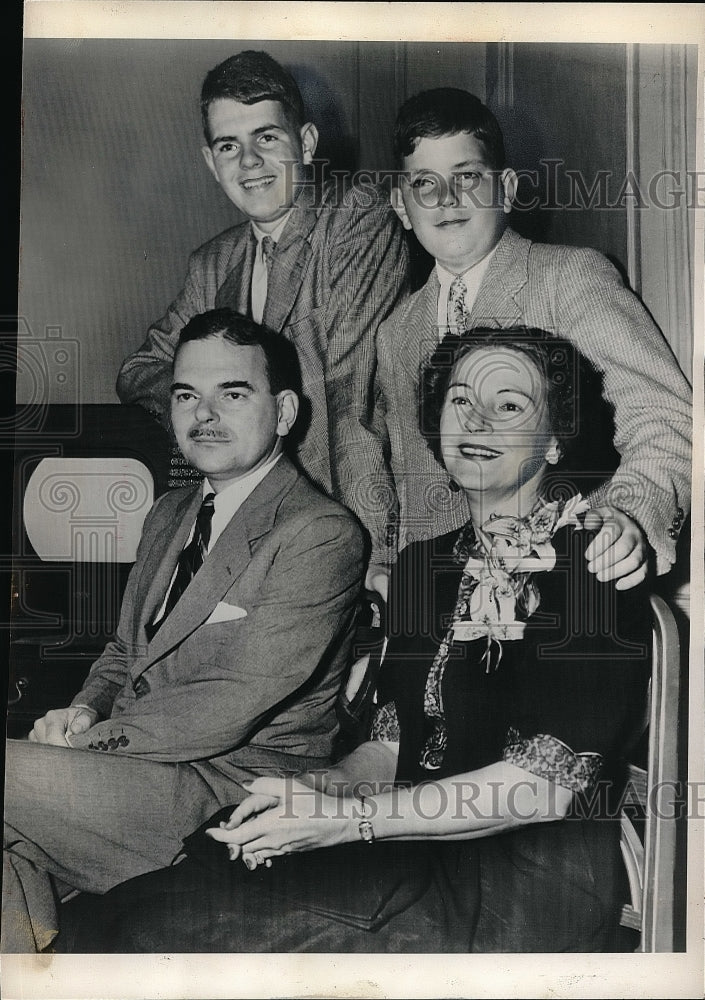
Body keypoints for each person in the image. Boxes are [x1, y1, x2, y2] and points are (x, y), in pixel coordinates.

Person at [56, 329, 651, 954]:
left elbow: (544, 788)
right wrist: (313, 792)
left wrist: (348, 822)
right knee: (118, 912)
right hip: (406, 852)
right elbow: (391, 749)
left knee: (149, 934)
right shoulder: (424, 567)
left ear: (556, 439)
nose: (475, 421)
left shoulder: (593, 563)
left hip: (522, 887)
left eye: (508, 407)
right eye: (460, 400)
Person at [2, 308, 365, 953]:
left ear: (284, 412)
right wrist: (80, 712)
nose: (204, 414)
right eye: (186, 395)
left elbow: (225, 705)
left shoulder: (319, 534)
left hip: (228, 791)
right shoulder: (170, 511)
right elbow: (123, 652)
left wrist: (87, 746)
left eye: (232, 393)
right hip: (140, 775)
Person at [349, 87, 691, 597]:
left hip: (564, 583)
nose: (446, 200)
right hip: (436, 601)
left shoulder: (569, 277)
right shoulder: (395, 331)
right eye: (425, 183)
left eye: (467, 177)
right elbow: (407, 478)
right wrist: (387, 566)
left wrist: (625, 518)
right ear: (401, 205)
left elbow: (667, 419)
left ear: (506, 188)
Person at [115, 49, 409, 577]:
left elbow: (350, 402)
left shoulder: (355, 219)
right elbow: (139, 371)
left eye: (267, 138)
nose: (249, 162)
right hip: (243, 525)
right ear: (211, 162)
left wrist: (374, 558)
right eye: (230, 145)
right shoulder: (213, 263)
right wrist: (217, 402)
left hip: (340, 517)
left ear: (308, 143)